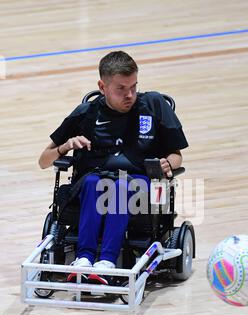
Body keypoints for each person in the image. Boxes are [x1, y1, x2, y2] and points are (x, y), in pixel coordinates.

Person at [39, 51, 189, 284]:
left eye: (133, 87)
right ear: (102, 86)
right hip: (95, 181)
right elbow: (43, 160)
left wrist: (168, 163)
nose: (129, 95)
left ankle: (107, 261)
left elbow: (176, 156)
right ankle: (84, 259)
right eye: (121, 88)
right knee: (92, 182)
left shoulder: (154, 104)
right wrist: (66, 146)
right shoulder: (86, 113)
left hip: (139, 184)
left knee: (119, 186)